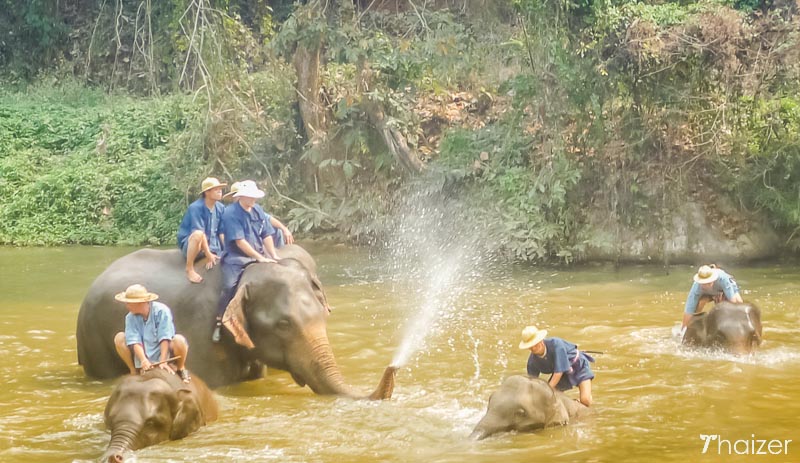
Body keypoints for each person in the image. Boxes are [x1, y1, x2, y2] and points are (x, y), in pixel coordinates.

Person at [213, 180, 280, 342]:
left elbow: (266, 234)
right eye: (250, 197)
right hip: (237, 257)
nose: (253, 200)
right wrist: (260, 258)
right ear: (241, 197)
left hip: (259, 253)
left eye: (254, 197)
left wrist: (273, 254)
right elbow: (239, 241)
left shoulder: (257, 210)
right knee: (229, 286)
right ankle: (220, 321)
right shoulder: (230, 213)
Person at [112, 284, 191, 383]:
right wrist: (143, 360)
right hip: (143, 353)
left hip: (163, 352)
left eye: (129, 303)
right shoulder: (130, 317)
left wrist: (163, 360)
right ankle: (133, 370)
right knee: (119, 338)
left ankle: (181, 368)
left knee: (179, 340)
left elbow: (165, 337)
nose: (127, 306)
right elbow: (134, 341)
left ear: (140, 303)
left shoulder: (162, 311)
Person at [519, 325, 594, 406]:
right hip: (562, 375)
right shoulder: (532, 362)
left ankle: (585, 400)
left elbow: (558, 372)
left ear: (541, 340)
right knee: (551, 398)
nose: (534, 348)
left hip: (578, 367)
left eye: (535, 344)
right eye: (530, 346)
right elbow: (532, 383)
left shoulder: (557, 345)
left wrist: (546, 390)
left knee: (585, 400)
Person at [177, 177, 227, 283]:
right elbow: (200, 232)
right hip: (194, 243)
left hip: (214, 245)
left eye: (220, 189)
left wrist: (227, 250)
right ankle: (189, 268)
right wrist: (208, 254)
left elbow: (222, 232)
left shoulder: (221, 208)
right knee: (198, 234)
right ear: (207, 192)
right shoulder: (196, 208)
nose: (219, 191)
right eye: (216, 189)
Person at [223, 180, 294, 247]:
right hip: (236, 243)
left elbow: (268, 219)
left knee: (277, 230)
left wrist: (284, 229)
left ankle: (280, 251)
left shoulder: (255, 209)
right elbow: (233, 237)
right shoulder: (230, 212)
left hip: (254, 240)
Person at [681, 264, 743, 333]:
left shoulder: (723, 279)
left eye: (708, 283)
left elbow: (733, 301)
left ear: (713, 280)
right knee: (700, 303)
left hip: (723, 290)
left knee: (739, 304)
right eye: (704, 283)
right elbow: (689, 310)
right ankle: (696, 322)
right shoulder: (696, 287)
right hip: (708, 294)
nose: (706, 285)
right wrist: (683, 329)